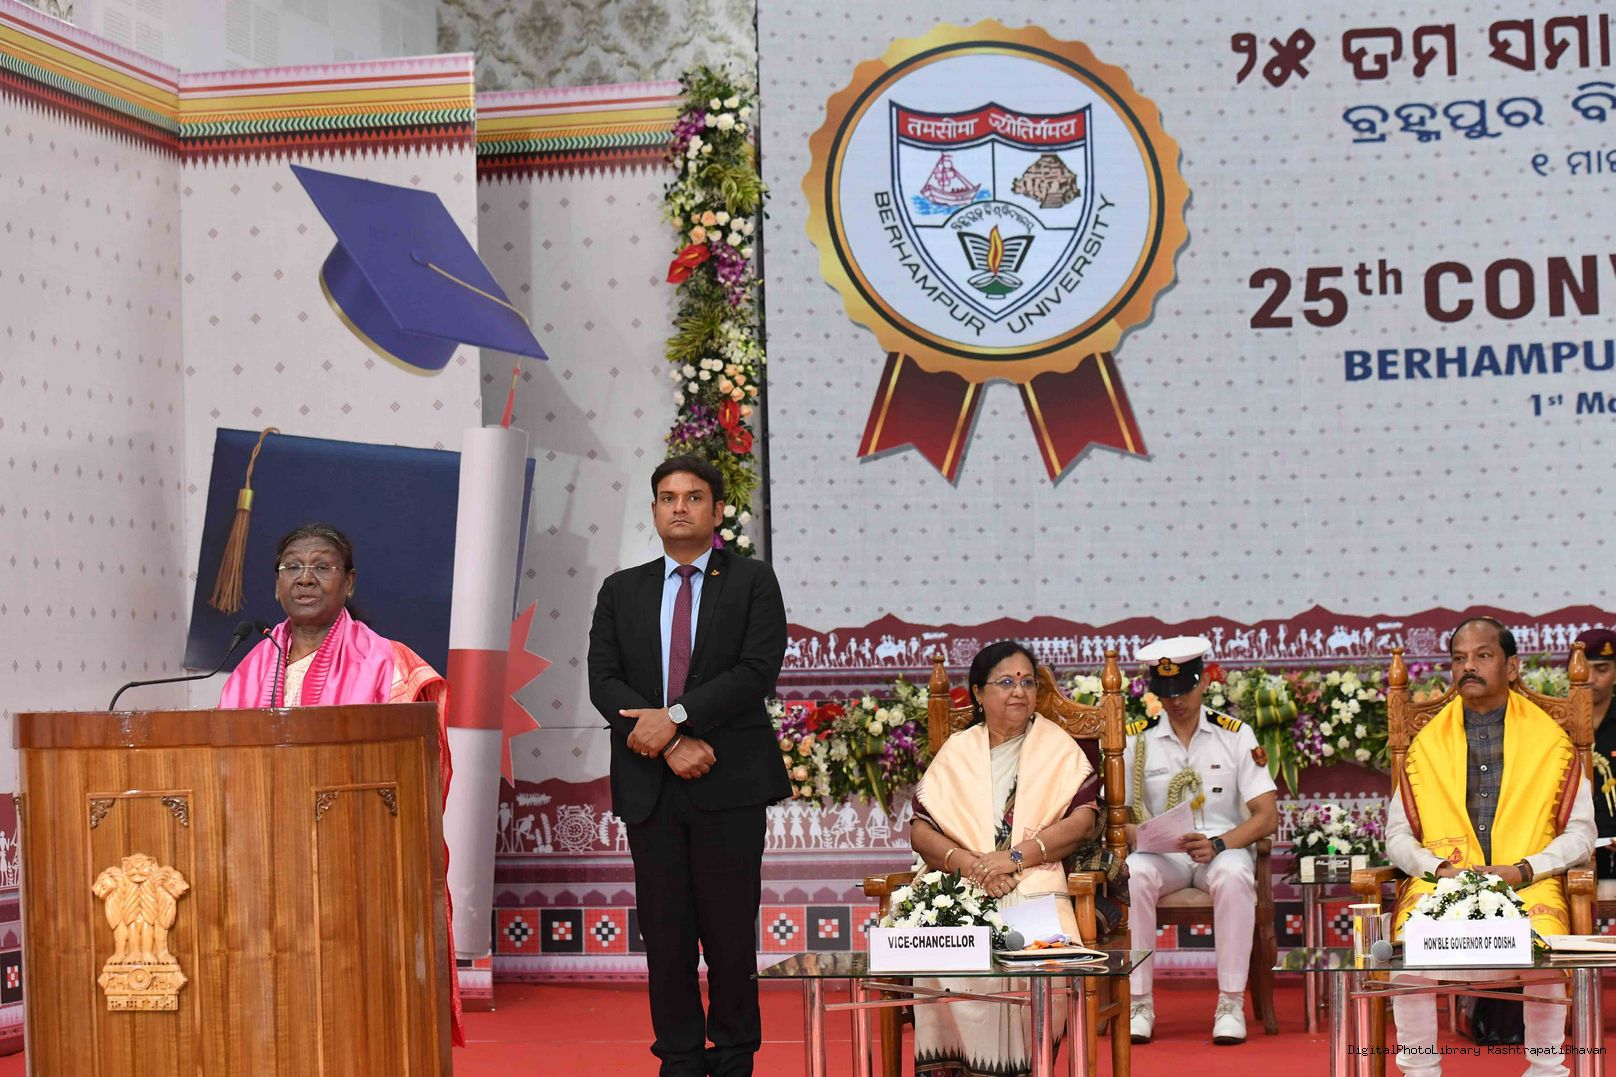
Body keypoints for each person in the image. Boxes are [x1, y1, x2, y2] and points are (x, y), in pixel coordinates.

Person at [217, 521, 461, 1043]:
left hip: (358, 867)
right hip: (263, 864)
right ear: (276, 584)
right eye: (292, 567)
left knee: (354, 1012)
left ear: (349, 582)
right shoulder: (250, 667)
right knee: (275, 1010)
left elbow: (422, 768)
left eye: (322, 567)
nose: (305, 578)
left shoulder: (389, 662)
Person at [586, 454, 789, 1077]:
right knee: (666, 937)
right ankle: (677, 1059)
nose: (680, 507)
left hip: (729, 782)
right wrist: (670, 742)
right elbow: (604, 681)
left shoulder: (752, 581)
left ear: (717, 510)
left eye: (694, 497)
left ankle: (733, 1058)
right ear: (653, 511)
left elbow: (756, 671)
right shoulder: (622, 589)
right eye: (668, 497)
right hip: (651, 784)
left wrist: (675, 717)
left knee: (730, 938)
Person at [1386, 616, 1596, 1077]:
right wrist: (1438, 870)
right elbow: (1397, 836)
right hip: (1444, 882)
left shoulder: (1550, 741)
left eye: (1482, 656)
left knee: (1546, 943)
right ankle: (1420, 1070)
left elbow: (1582, 834)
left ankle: (1546, 1068)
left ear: (1512, 667)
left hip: (1526, 880)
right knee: (1406, 948)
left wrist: (1525, 869)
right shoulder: (1426, 745)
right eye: (1459, 658)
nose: (1468, 667)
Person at [907, 639, 1105, 1076]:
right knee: (949, 945)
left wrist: (1013, 858)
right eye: (1006, 682)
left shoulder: (1057, 747)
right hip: (964, 879)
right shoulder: (957, 750)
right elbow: (921, 830)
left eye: (1028, 682)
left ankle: (1023, 1066)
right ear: (978, 693)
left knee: (1037, 956)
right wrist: (973, 865)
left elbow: (1083, 822)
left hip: (1033, 876)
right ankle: (966, 1065)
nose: (1019, 691)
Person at [1122, 635, 1277, 1045]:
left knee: (1235, 875)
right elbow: (1114, 816)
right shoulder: (1136, 740)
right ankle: (1139, 1002)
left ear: (1205, 681)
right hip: (1163, 856)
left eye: (1184, 689)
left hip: (1221, 850)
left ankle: (1230, 1003)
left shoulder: (1235, 735)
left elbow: (1266, 815)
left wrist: (1221, 844)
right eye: (1166, 691)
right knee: (1133, 874)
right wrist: (1137, 834)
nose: (1176, 700)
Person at [1572, 628, 1616, 883]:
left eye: (1602, 669)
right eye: (1583, 669)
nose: (1589, 679)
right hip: (1571, 847)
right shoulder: (1556, 721)